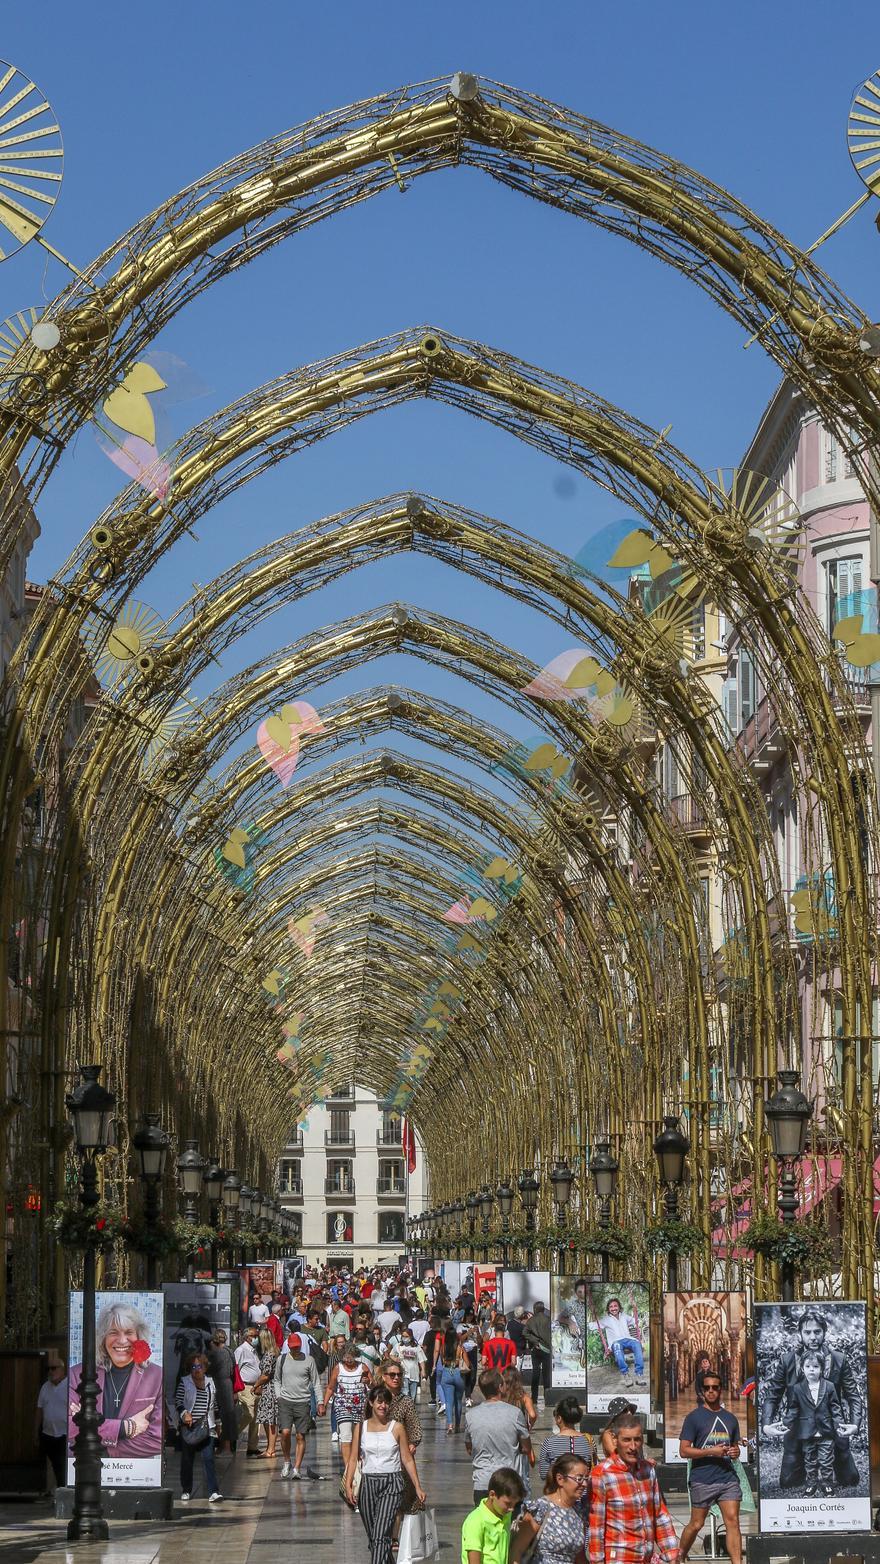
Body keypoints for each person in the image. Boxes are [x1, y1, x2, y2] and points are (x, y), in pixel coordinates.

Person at [760, 1307, 861, 1490]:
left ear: (824, 1332)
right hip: (798, 1430)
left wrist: (854, 1424)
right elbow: (772, 1396)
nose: (812, 1337)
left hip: (832, 1429)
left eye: (817, 1331)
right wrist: (766, 1425)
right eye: (807, 1332)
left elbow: (853, 1396)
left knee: (850, 1480)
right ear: (800, 1334)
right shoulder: (787, 1360)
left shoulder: (839, 1359)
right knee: (788, 1483)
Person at [68, 1301, 163, 1459]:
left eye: (128, 1332)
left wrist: (104, 1451)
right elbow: (71, 1428)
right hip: (83, 1473)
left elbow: (157, 1440)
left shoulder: (157, 1376)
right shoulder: (78, 1374)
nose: (122, 1340)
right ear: (103, 1338)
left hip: (136, 1474)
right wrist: (124, 1428)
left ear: (139, 1336)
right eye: (113, 1332)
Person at [345, 1385, 426, 1564]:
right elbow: (352, 1459)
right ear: (371, 1403)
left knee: (381, 1535)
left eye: (387, 1402)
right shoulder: (360, 1427)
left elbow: (407, 1459)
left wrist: (418, 1486)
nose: (383, 1406)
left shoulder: (397, 1428)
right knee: (374, 1536)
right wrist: (348, 1484)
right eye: (380, 1402)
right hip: (368, 1483)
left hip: (392, 1483)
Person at [589, 1412, 679, 1564]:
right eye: (626, 1440)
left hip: (646, 1557)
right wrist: (597, 1561)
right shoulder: (602, 1474)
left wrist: (671, 1554)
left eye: (637, 1440)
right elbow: (596, 1526)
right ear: (615, 1440)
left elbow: (659, 1515)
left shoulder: (648, 1471)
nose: (632, 1446)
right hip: (619, 1557)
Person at [678, 1371, 741, 1564]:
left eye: (715, 1387)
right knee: (697, 1524)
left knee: (732, 1521)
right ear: (701, 1391)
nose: (711, 1391)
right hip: (702, 1478)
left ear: (720, 1390)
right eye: (707, 1388)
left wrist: (735, 1452)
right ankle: (678, 1556)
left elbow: (735, 1446)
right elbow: (684, 1451)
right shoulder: (693, 1418)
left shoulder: (730, 1418)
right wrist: (710, 1451)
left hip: (727, 1478)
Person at [781, 1351, 846, 1497]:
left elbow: (835, 1407)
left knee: (826, 1460)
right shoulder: (798, 1388)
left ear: (822, 1369)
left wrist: (839, 1424)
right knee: (809, 1460)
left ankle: (827, 1485)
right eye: (808, 1366)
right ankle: (811, 1485)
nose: (812, 1369)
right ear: (802, 1368)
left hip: (826, 1432)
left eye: (816, 1366)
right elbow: (793, 1409)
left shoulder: (829, 1386)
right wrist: (786, 1423)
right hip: (807, 1432)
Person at [465, 1369, 532, 1506]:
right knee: (510, 1526)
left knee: (485, 1525)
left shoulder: (470, 1415)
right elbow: (526, 1448)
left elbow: (469, 1447)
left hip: (482, 1482)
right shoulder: (515, 1413)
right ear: (500, 1387)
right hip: (508, 1481)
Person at [511, 1453, 590, 1564]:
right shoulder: (541, 1508)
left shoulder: (579, 1512)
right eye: (579, 1478)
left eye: (586, 1478)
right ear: (560, 1479)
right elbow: (517, 1550)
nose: (585, 1484)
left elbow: (579, 1558)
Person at [175, 1352, 222, 1503]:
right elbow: (178, 1401)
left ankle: (213, 1491)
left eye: (199, 1366)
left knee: (208, 1459)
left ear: (205, 1367)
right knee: (187, 1460)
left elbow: (214, 1405)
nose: (196, 1369)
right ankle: (186, 1490)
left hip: (207, 1426)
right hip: (190, 1427)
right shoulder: (185, 1382)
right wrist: (184, 1413)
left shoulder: (210, 1382)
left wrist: (218, 1425)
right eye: (193, 1366)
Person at [320, 1340, 371, 1474]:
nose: (348, 1360)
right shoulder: (338, 1368)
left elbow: (373, 1385)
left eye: (351, 1357)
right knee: (346, 1436)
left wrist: (369, 1381)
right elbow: (331, 1388)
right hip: (342, 1406)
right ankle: (350, 1469)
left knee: (359, 1438)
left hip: (360, 1407)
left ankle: (358, 1465)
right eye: (346, 1357)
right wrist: (323, 1404)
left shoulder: (363, 1367)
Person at [274, 1331, 320, 1479]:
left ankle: (297, 1468)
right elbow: (276, 1380)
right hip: (285, 1401)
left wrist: (320, 1402)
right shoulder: (281, 1360)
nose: (295, 1349)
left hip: (303, 1402)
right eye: (293, 1347)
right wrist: (279, 1396)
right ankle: (287, 1461)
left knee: (301, 1436)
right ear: (288, 1346)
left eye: (298, 1347)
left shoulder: (309, 1360)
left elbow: (316, 1382)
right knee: (285, 1432)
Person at [462, 1466, 526, 1564]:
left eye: (515, 1504)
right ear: (492, 1495)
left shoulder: (505, 1515)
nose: (512, 1509)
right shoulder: (475, 1521)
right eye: (508, 1503)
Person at [537, 1396, 593, 1481]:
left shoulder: (549, 1443)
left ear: (559, 1418)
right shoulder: (587, 1441)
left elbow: (544, 1474)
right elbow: (590, 1470)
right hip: (582, 1492)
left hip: (559, 1491)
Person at [500, 1366, 536, 1493]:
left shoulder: (500, 1397)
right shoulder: (524, 1397)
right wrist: (528, 1427)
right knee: (523, 1473)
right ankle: (524, 1499)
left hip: (504, 1435)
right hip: (520, 1438)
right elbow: (532, 1415)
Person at [595, 1298, 646, 1389]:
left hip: (628, 1339)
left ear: (619, 1307)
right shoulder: (606, 1320)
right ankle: (626, 1374)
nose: (613, 1308)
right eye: (611, 1307)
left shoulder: (624, 1316)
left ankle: (639, 1374)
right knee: (617, 1348)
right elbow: (594, 1325)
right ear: (608, 1309)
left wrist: (635, 1308)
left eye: (615, 1306)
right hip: (616, 1342)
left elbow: (635, 1321)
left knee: (638, 1344)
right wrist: (593, 1313)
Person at [36, 1360, 68, 1489]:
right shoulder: (45, 1387)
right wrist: (36, 1432)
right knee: (53, 1464)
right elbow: (39, 1409)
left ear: (62, 1369)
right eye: (48, 1369)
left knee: (61, 1464)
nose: (50, 1372)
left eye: (54, 1368)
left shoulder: (69, 1385)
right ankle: (53, 1491)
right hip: (48, 1433)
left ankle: (62, 1490)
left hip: (64, 1433)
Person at [234, 1324, 264, 1456]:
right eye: (253, 1336)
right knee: (248, 1414)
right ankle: (232, 1435)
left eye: (257, 1335)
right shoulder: (241, 1350)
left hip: (256, 1386)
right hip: (245, 1387)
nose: (256, 1338)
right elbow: (235, 1370)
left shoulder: (255, 1350)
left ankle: (252, 1446)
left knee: (256, 1419)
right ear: (247, 1337)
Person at [435, 1324, 470, 1435]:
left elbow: (442, 1359)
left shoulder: (443, 1348)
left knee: (449, 1402)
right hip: (458, 1373)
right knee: (458, 1401)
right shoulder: (460, 1348)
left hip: (446, 1372)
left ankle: (450, 1425)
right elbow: (467, 1363)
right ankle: (458, 1425)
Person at [256, 1326, 279, 1459]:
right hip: (268, 1389)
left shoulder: (270, 1354)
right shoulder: (273, 1352)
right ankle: (269, 1448)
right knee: (267, 1419)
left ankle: (271, 1449)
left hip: (269, 1389)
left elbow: (266, 1374)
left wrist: (256, 1385)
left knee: (270, 1420)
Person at [523, 1302, 552, 1407]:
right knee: (546, 1374)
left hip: (536, 1348)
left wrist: (535, 1341)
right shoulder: (548, 1320)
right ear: (543, 1309)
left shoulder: (531, 1320)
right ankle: (547, 1397)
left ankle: (534, 1398)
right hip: (547, 1349)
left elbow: (524, 1333)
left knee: (535, 1372)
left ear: (535, 1309)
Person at [393, 1326, 427, 1400]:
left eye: (406, 1336)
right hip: (404, 1374)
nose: (405, 1338)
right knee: (405, 1393)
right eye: (403, 1336)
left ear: (411, 1337)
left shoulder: (416, 1347)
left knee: (413, 1395)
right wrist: (395, 1359)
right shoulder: (398, 1346)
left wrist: (423, 1371)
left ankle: (411, 1409)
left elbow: (421, 1360)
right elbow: (391, 1354)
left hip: (414, 1374)